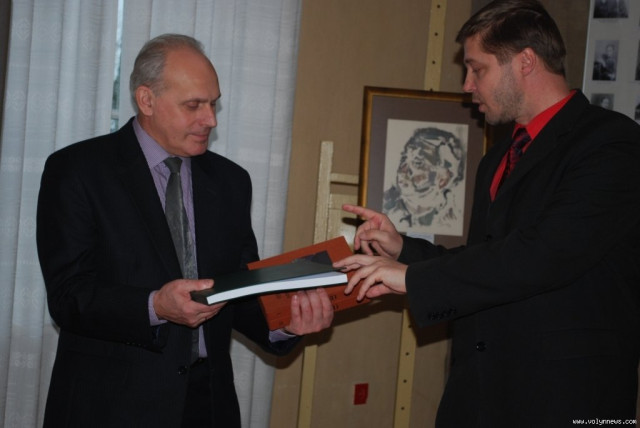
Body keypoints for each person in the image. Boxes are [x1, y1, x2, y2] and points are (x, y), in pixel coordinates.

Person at [335, 1, 640, 426]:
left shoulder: (613, 143)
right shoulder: (496, 158)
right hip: (478, 398)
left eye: (477, 69)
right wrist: (403, 251)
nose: (467, 86)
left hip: (566, 402)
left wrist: (412, 279)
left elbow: (544, 255)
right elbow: (487, 259)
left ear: (525, 62)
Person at [36, 33, 334, 427]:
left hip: (207, 404)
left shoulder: (231, 182)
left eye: (213, 104)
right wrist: (155, 306)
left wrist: (285, 324)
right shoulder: (78, 170)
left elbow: (238, 289)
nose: (210, 119)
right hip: (109, 405)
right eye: (194, 105)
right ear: (147, 100)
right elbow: (69, 296)